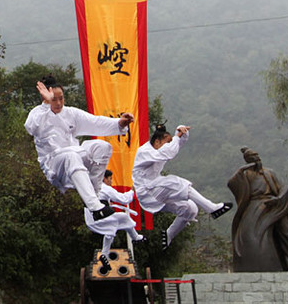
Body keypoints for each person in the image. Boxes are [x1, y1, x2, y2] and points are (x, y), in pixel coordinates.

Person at [24, 76, 134, 220]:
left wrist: (119, 123)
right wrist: (46, 103)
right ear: (46, 99)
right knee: (71, 156)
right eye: (53, 99)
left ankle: (95, 195)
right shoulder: (39, 113)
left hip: (74, 158)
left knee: (103, 147)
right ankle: (95, 207)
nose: (58, 103)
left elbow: (96, 122)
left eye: (61, 98)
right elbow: (30, 127)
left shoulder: (71, 113)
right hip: (54, 165)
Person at [132, 124, 233, 249]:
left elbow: (177, 145)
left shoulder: (159, 149)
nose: (169, 144)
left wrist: (181, 131)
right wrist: (176, 137)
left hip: (155, 191)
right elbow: (169, 151)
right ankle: (212, 208)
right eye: (166, 142)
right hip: (147, 190)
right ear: (157, 142)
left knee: (190, 209)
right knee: (176, 183)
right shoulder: (145, 151)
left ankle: (168, 235)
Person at [227, 147, 288, 271]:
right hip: (256, 204)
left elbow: (284, 187)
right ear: (247, 160)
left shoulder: (269, 173)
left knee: (287, 232)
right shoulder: (246, 175)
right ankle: (262, 263)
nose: (256, 159)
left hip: (275, 204)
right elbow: (232, 183)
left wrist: (279, 197)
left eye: (257, 156)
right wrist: (242, 169)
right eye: (252, 157)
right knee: (252, 236)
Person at [83, 169, 144, 270]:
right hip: (97, 218)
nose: (111, 182)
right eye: (110, 179)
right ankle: (135, 238)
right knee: (123, 217)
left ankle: (104, 255)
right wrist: (132, 191)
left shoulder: (91, 186)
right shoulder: (105, 188)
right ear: (104, 179)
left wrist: (105, 204)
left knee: (111, 229)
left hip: (90, 220)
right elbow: (124, 199)